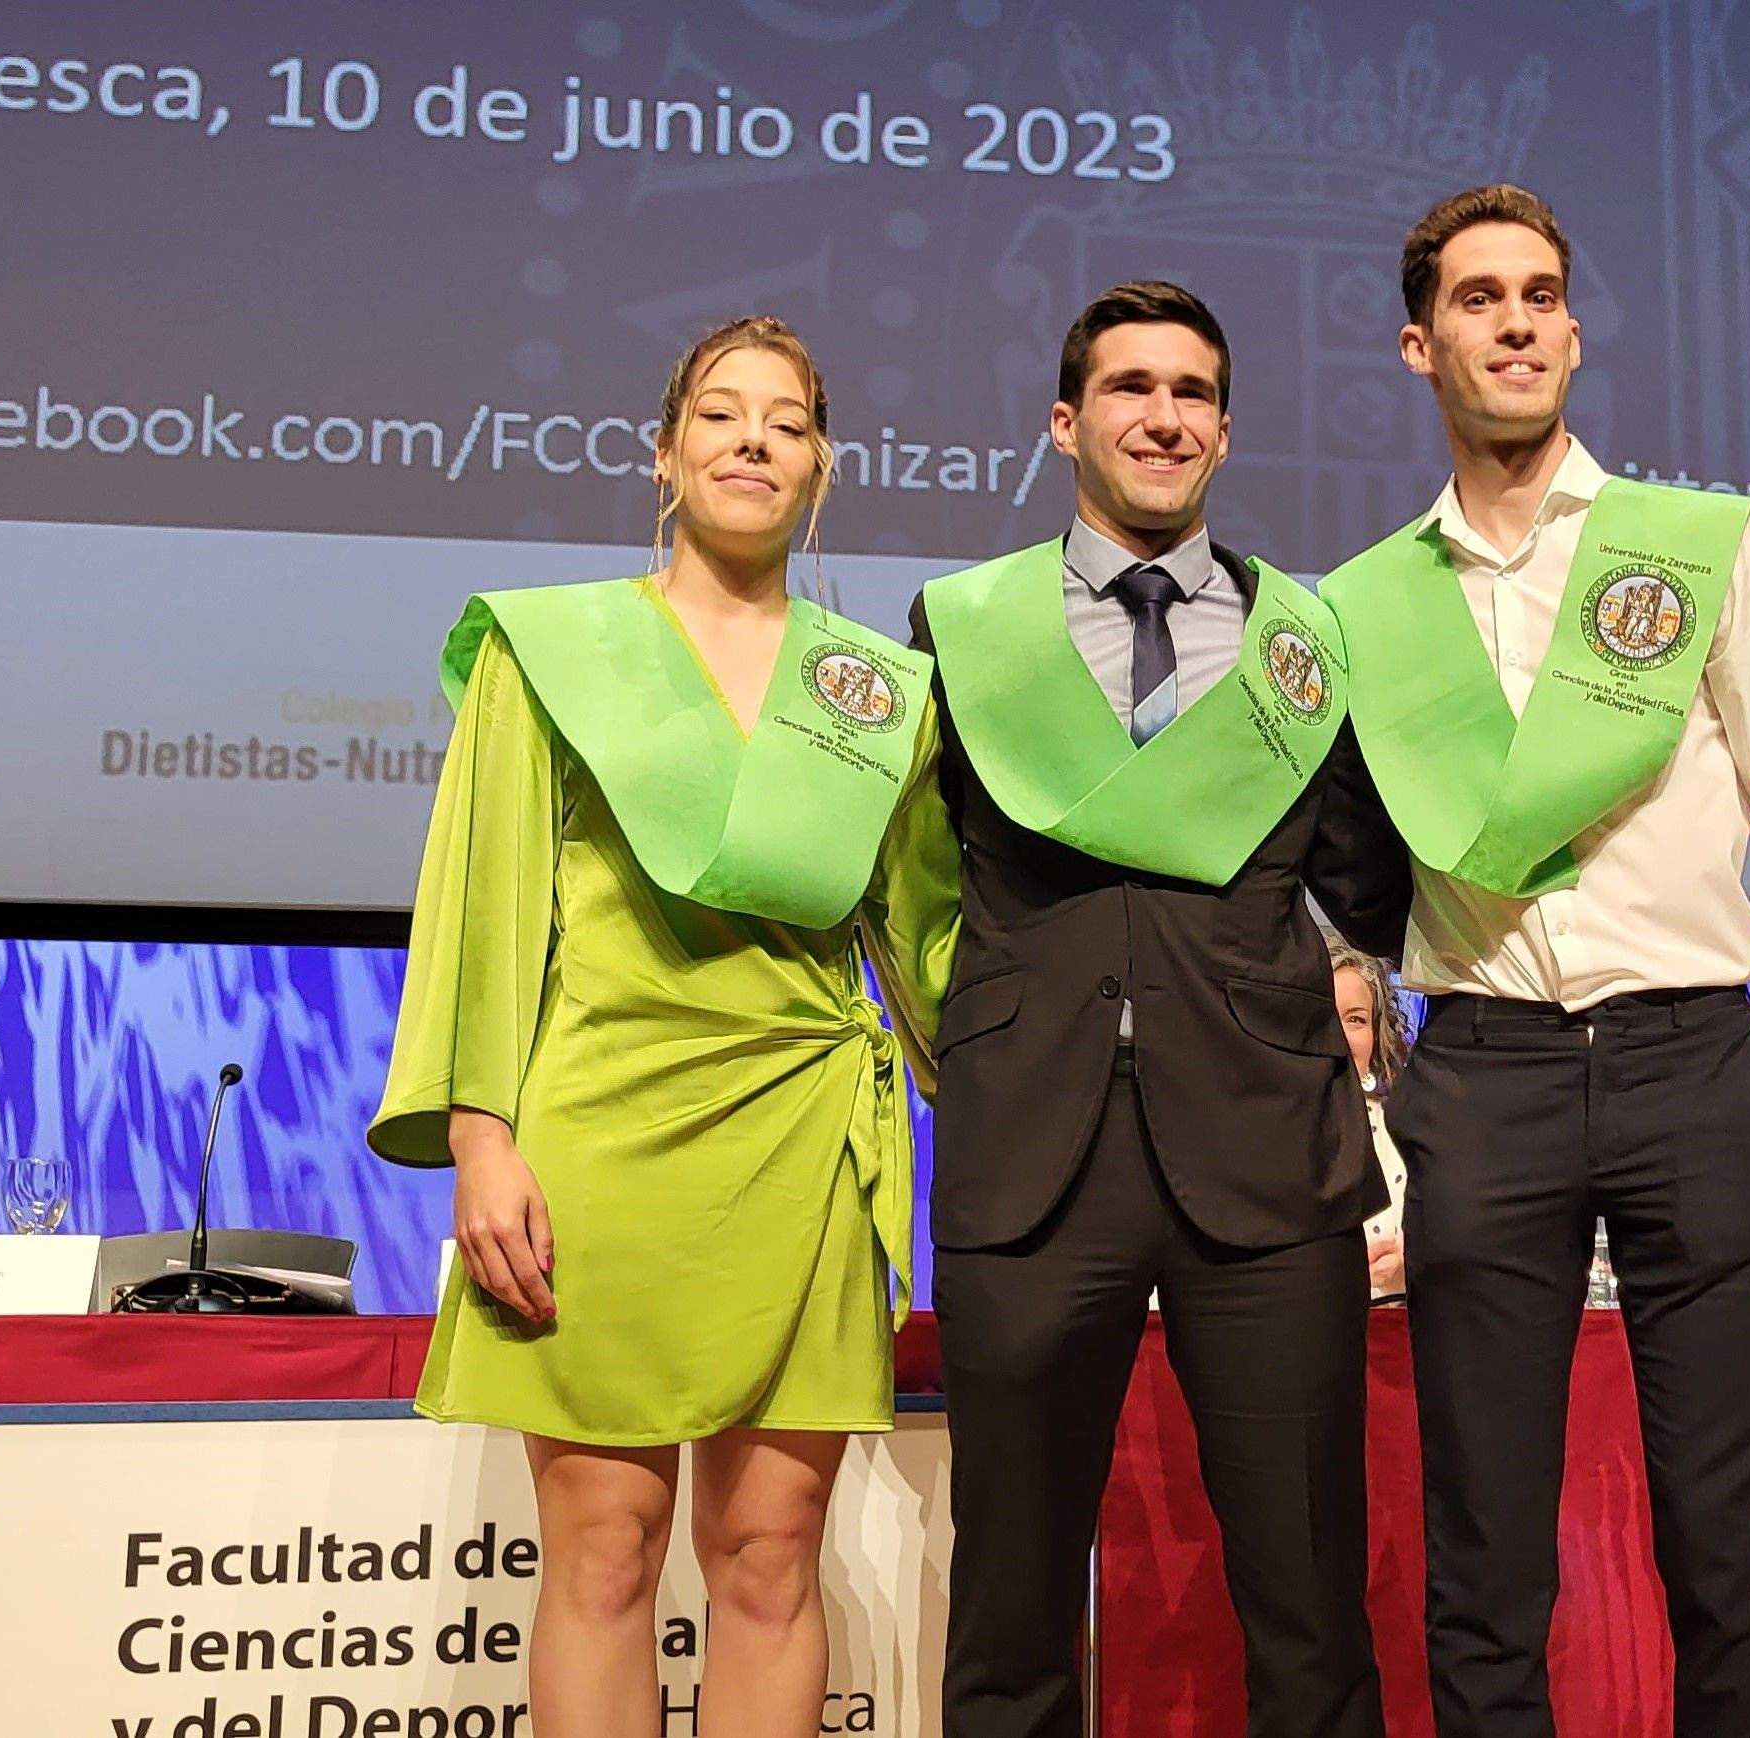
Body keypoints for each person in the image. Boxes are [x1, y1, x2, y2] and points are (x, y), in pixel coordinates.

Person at [1319, 185, 1750, 1736]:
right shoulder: (1362, 605)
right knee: (1486, 1548)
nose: (1513, 321)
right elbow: (1346, 869)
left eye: (1538, 294)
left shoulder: (1693, 544)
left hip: (1688, 1062)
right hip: (1488, 1081)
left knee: (1726, 1536)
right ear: (1418, 343)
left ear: (1572, 332)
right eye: (1475, 298)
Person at [366, 316, 957, 1737]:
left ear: (821, 467)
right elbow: (482, 896)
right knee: (604, 1554)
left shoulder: (872, 694)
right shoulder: (550, 651)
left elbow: (928, 938)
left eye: (786, 421)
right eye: (719, 413)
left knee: (766, 1561)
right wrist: (479, 1128)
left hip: (805, 1144)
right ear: (663, 453)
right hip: (599, 1138)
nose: (752, 439)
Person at [909, 281, 1407, 1737]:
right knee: (1007, 1603)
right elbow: (914, 873)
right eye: (1130, 387)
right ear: (1067, 423)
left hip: (1264, 1152)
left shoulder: (1301, 640)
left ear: (1224, 432)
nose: (1163, 415)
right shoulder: (959, 626)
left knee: (1309, 1598)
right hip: (1030, 1152)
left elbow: (1366, 884)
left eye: (1191, 392)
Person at [1329, 937, 1413, 1300]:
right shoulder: (1253, 1136)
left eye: (1356, 1019)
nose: (1340, 1037)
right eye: (1325, 1017)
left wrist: (1414, 1262)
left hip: (1393, 1329)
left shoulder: (1405, 1133)